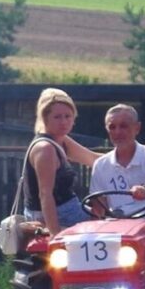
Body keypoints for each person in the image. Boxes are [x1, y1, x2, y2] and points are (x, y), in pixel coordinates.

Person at [22, 88, 99, 234]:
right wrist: (55, 234)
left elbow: (93, 159)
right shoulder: (45, 148)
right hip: (58, 215)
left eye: (68, 116)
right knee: (109, 228)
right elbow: (45, 194)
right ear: (45, 119)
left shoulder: (60, 140)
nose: (64, 122)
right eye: (57, 117)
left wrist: (129, 155)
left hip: (68, 209)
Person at [89, 104, 145, 225]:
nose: (118, 132)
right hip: (117, 229)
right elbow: (98, 211)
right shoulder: (100, 165)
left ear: (137, 128)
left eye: (124, 126)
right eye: (112, 127)